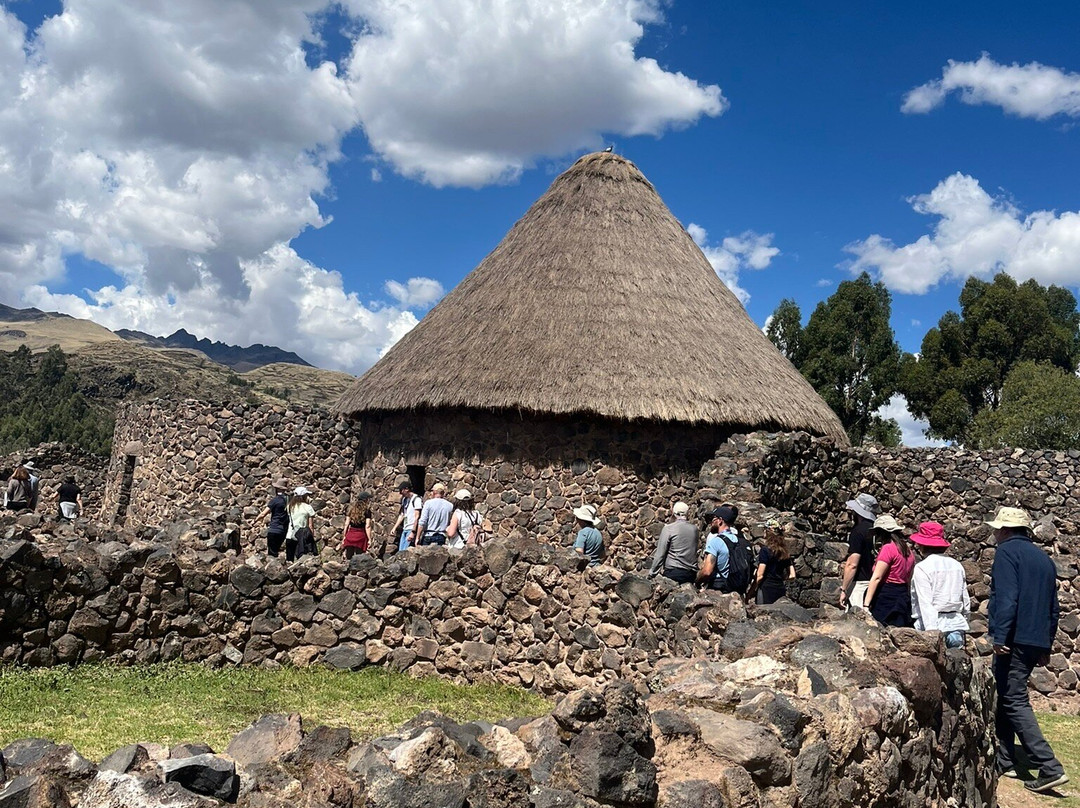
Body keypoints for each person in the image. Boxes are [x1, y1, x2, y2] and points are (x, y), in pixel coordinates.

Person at [987, 506, 1068, 794]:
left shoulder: (1007, 552)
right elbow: (1053, 608)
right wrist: (1046, 643)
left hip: (1014, 638)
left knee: (1014, 699)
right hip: (1035, 639)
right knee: (1007, 695)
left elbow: (1007, 598)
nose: (995, 534)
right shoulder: (1044, 559)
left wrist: (1000, 635)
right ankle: (1006, 759)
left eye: (998, 529)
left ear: (1006, 530)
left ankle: (1049, 767)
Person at [909, 521, 970, 649]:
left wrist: (931, 633)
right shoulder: (957, 565)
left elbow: (925, 602)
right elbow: (965, 599)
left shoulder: (922, 567)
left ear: (922, 545)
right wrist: (965, 618)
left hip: (932, 624)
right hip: (956, 623)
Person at [864, 515, 915, 627]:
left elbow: (877, 577)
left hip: (886, 597)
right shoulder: (907, 550)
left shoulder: (888, 548)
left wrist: (866, 605)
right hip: (902, 595)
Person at [696, 506, 751, 595]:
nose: (711, 522)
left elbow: (707, 571)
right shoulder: (740, 540)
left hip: (720, 588)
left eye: (713, 519)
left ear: (720, 521)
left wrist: (697, 581)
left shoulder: (716, 541)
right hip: (738, 589)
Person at [839, 492, 879, 611]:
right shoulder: (878, 530)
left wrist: (844, 589)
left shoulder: (858, 532)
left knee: (857, 617)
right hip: (877, 583)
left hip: (860, 585)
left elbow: (852, 564)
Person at [648, 501, 699, 583]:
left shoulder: (669, 529)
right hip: (690, 574)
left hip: (673, 572)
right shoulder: (694, 529)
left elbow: (660, 554)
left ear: (673, 513)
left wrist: (652, 573)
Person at [748, 520, 795, 604]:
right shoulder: (784, 551)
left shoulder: (765, 550)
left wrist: (751, 592)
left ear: (768, 532)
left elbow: (760, 575)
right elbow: (792, 575)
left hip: (766, 589)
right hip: (780, 590)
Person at [255, 478, 290, 557]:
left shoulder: (275, 500)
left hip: (274, 528)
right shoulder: (289, 500)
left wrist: (255, 520)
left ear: (277, 489)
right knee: (276, 550)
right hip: (284, 530)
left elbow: (263, 514)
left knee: (272, 554)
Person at [414, 482, 454, 546]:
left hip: (428, 535)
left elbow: (422, 521)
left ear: (434, 492)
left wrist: (417, 537)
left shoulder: (428, 503)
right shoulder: (450, 505)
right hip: (441, 536)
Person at [392, 481, 423, 553]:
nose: (400, 493)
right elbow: (402, 514)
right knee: (401, 551)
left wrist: (413, 532)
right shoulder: (404, 500)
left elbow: (417, 517)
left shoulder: (416, 499)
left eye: (401, 490)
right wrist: (394, 527)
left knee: (406, 552)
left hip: (411, 529)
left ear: (407, 489)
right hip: (405, 528)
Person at [286, 486, 317, 560]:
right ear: (304, 496)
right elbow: (310, 525)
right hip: (302, 538)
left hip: (290, 535)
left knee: (290, 561)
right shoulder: (308, 507)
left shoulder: (289, 506)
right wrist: (311, 538)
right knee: (302, 560)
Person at [341, 492, 373, 559]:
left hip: (351, 535)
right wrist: (369, 539)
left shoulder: (351, 509)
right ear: (366, 500)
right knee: (360, 557)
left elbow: (346, 524)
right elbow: (367, 526)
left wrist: (344, 536)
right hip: (361, 535)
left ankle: (348, 564)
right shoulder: (367, 511)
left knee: (349, 556)